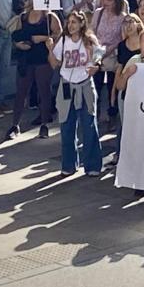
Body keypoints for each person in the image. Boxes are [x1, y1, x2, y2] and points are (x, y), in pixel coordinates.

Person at [50, 10, 105, 177]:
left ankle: (92, 164)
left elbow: (99, 57)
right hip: (67, 84)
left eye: (74, 22)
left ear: (82, 23)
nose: (71, 25)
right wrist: (51, 49)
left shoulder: (89, 40)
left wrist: (96, 66)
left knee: (89, 124)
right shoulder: (64, 40)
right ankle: (68, 164)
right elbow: (55, 64)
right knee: (66, 125)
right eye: (69, 22)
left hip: (85, 85)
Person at [8, 1, 60, 140]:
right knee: (21, 91)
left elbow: (59, 35)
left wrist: (44, 39)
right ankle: (15, 124)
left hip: (43, 59)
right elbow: (17, 36)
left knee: (44, 91)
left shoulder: (50, 18)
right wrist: (19, 45)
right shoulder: (23, 17)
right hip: (26, 58)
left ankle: (44, 124)